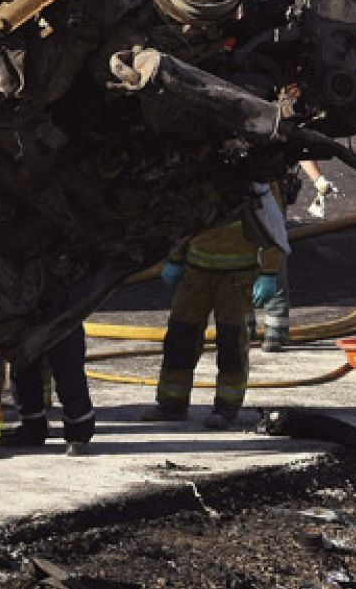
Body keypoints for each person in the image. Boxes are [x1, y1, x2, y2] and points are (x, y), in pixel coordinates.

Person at [143, 190, 284, 428]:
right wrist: (175, 258)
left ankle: (226, 408)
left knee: (231, 342)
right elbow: (182, 223)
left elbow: (273, 229)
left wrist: (269, 272)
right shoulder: (200, 180)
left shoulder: (254, 186)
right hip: (195, 273)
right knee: (180, 338)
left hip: (237, 276)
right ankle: (171, 403)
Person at [260, 161, 338, 353]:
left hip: (265, 191)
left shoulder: (271, 135)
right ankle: (249, 329)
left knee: (273, 262)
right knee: (242, 269)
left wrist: (318, 179)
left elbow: (300, 150)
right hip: (246, 195)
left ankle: (275, 331)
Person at [3, 326, 95, 457]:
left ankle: (79, 433)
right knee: (23, 359)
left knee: (66, 361)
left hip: (61, 312)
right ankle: (33, 427)